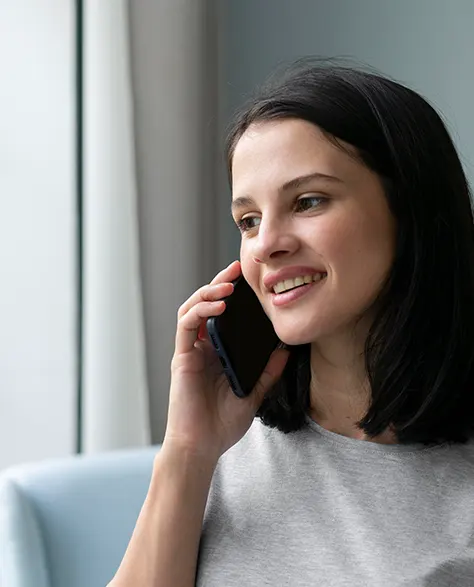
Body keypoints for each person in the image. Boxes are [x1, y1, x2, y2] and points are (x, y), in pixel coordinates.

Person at [108, 59, 474, 587]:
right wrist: (187, 452)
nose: (267, 244)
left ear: (410, 212)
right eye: (249, 220)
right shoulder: (219, 450)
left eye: (308, 201)